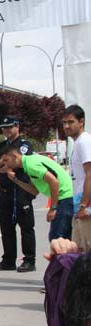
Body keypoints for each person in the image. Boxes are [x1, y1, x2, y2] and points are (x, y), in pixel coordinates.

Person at [0, 116, 36, 272]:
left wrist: (1, 164)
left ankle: (29, 260)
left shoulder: (24, 145)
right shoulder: (1, 145)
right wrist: (6, 163)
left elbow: (19, 164)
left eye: (9, 127)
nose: (6, 130)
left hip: (20, 190)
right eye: (4, 128)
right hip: (5, 192)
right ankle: (8, 259)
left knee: (26, 227)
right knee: (6, 228)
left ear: (17, 127)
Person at [1, 144, 74, 242]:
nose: (6, 165)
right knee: (64, 239)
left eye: (6, 160)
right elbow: (34, 191)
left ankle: (63, 257)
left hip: (64, 198)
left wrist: (53, 208)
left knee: (57, 239)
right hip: (66, 198)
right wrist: (15, 180)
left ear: (15, 156)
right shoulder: (29, 163)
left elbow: (54, 182)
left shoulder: (31, 165)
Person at [63, 105, 91, 249]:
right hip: (79, 202)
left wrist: (84, 205)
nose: (67, 126)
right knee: (79, 250)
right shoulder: (78, 143)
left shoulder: (84, 141)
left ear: (81, 122)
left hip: (85, 204)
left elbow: (90, 174)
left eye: (71, 122)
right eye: (64, 123)